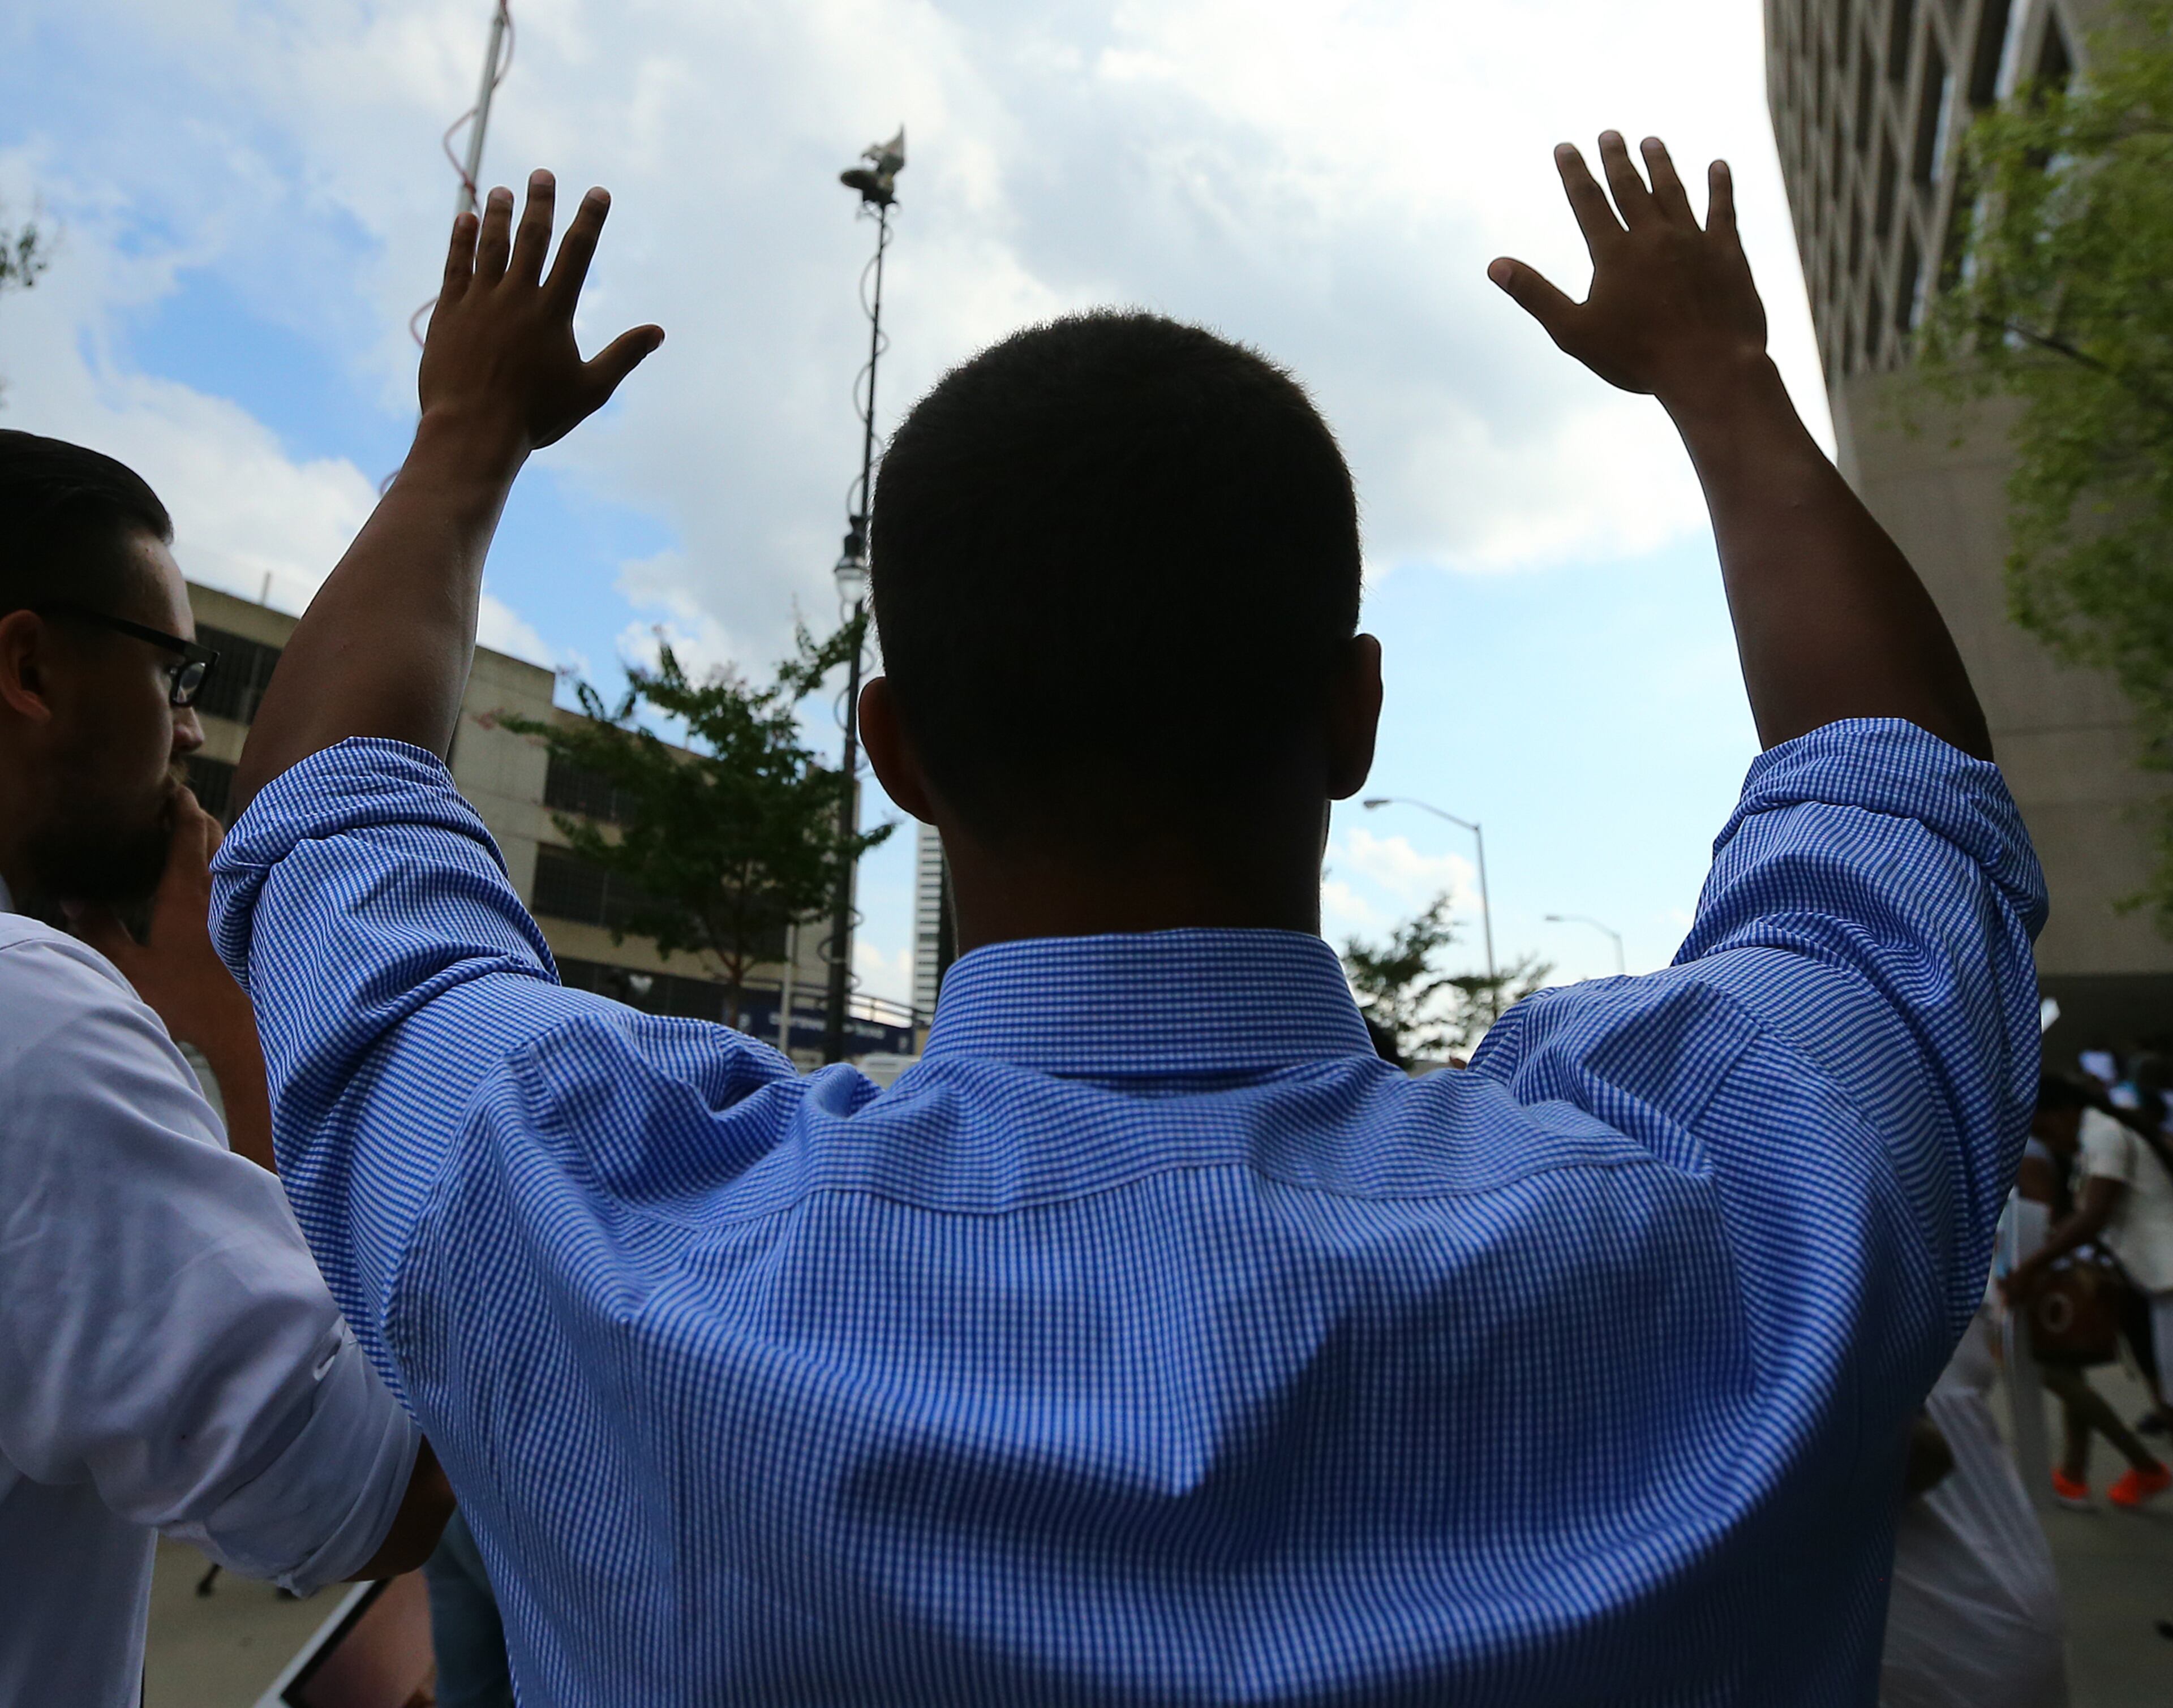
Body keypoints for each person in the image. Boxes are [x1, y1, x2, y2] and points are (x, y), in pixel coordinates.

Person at [211, 140, 2041, 1702]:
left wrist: (465, 438)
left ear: (899, 755)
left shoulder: (588, 1221)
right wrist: (1723, 377)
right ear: (1354, 718)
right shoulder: (1742, 1211)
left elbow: (321, 815)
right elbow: (1893, 800)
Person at [0, 431, 453, 1706]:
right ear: (30, 666)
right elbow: (373, 1498)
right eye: (174, 670)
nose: (193, 730)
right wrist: (240, 1025)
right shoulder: (32, 1031)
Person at [2008, 1073, 2173, 1507]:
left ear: (2063, 1112)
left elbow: (2094, 1215)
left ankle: (2139, 1469)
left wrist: (2031, 1266)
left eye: (2048, 1129)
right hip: (2150, 1279)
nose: (2052, 1141)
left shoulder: (2105, 1132)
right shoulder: (2098, 1135)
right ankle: (2105, 1470)